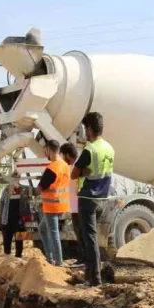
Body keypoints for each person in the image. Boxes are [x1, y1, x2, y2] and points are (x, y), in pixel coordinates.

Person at [73, 111, 115, 285]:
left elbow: (73, 174)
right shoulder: (109, 148)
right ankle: (89, 276)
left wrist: (83, 171)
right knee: (89, 237)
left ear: (89, 129)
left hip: (87, 198)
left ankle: (95, 278)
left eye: (84, 128)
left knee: (89, 239)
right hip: (102, 198)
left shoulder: (89, 150)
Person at [36, 139, 71, 267]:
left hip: (52, 205)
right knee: (43, 228)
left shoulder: (52, 168)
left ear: (49, 150)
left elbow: (40, 187)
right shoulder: (65, 165)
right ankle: (50, 258)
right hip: (62, 204)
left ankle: (58, 262)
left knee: (54, 233)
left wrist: (39, 188)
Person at [0, 179, 31, 258]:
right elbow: (1, 203)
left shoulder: (23, 189)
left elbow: (27, 203)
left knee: (19, 238)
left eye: (17, 177)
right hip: (7, 217)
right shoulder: (6, 190)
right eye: (14, 177)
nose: (15, 179)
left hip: (19, 218)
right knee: (7, 237)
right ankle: (7, 255)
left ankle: (18, 255)